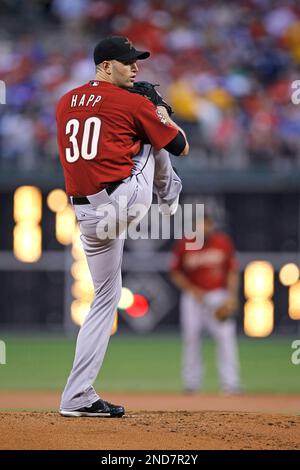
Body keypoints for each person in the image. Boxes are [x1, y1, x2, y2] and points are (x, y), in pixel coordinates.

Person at [56, 36, 189, 417]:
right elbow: (181, 145)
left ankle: (77, 396)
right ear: (104, 66)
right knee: (155, 140)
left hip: (86, 216)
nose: (135, 68)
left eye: (136, 61)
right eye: (127, 61)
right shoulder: (133, 101)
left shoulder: (65, 101)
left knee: (103, 300)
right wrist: (159, 110)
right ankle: (171, 197)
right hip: (124, 201)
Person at [170, 213, 241, 394]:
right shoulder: (185, 244)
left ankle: (231, 383)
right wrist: (192, 289)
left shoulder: (222, 242)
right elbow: (175, 272)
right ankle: (191, 384)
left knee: (225, 338)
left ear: (212, 225)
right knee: (191, 338)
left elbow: (232, 271)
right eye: (199, 225)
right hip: (193, 299)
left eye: (206, 224)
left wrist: (231, 296)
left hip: (218, 296)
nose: (203, 228)